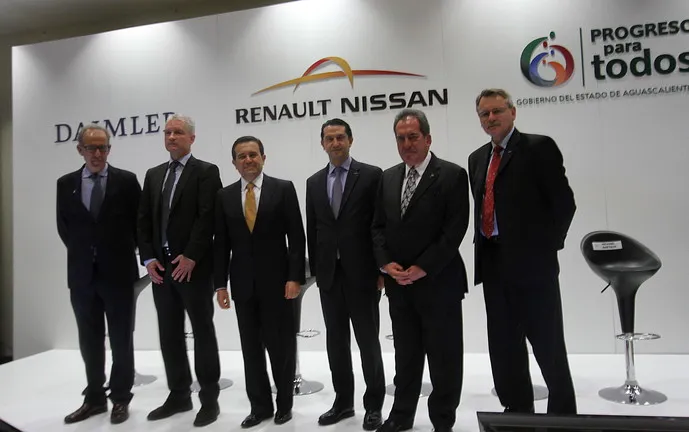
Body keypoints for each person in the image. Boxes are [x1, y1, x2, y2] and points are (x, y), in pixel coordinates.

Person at [468, 88, 577, 414]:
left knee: (548, 345)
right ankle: (517, 413)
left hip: (534, 268)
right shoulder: (477, 158)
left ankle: (563, 417)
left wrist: (545, 248)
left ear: (513, 112)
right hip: (493, 264)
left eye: (497, 111)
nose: (491, 118)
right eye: (484, 114)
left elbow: (564, 204)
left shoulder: (538, 148)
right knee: (504, 347)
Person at [372, 109, 469, 432]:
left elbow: (454, 230)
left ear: (428, 138)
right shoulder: (387, 178)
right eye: (401, 138)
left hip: (439, 283)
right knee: (406, 356)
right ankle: (401, 416)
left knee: (444, 359)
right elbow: (377, 227)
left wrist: (423, 267)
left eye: (413, 137)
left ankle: (442, 421)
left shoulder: (452, 175)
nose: (407, 144)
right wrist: (385, 263)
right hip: (400, 285)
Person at [214, 136, 305, 429]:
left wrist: (294, 278)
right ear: (234, 163)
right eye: (242, 156)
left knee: (281, 348)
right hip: (243, 286)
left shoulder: (283, 189)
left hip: (278, 285)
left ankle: (284, 405)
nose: (248, 160)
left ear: (264, 158)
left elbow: (296, 238)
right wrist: (220, 285)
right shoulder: (224, 196)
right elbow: (221, 244)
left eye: (253, 154)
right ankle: (260, 407)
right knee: (251, 350)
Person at [137, 114, 222, 427]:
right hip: (161, 270)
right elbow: (144, 219)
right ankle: (179, 395)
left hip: (193, 269)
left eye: (178, 132)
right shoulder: (154, 174)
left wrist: (192, 256)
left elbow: (208, 217)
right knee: (169, 334)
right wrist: (148, 258)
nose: (171, 137)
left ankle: (209, 400)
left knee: (202, 332)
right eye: (167, 132)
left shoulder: (206, 172)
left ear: (192, 138)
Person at [56, 124, 141, 425]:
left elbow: (138, 225)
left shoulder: (126, 181)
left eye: (102, 147)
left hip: (118, 275)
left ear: (109, 149)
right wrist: (86, 255)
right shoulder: (65, 184)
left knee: (121, 340)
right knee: (89, 340)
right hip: (82, 277)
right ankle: (94, 398)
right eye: (91, 148)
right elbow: (65, 228)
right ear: (80, 149)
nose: (97, 153)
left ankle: (120, 398)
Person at [306, 118, 385, 430]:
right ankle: (343, 402)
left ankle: (374, 405)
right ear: (322, 144)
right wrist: (316, 271)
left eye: (340, 137)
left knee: (368, 343)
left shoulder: (371, 175)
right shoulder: (313, 182)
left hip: (363, 275)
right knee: (336, 343)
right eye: (329, 138)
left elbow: (380, 225)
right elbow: (313, 230)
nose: (335, 143)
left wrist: (381, 269)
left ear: (350, 140)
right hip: (329, 277)